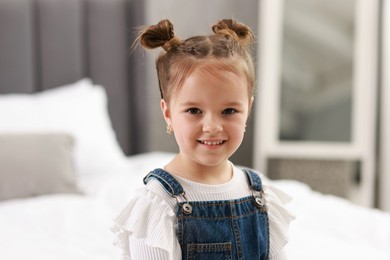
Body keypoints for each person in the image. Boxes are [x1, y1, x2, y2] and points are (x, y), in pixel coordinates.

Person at [112, 18, 294, 260]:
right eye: (194, 111)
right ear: (168, 113)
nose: (212, 127)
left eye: (229, 111)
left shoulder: (259, 196)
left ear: (247, 110)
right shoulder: (158, 204)